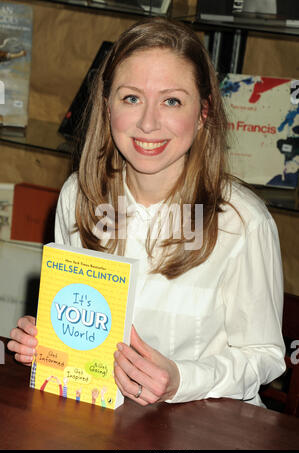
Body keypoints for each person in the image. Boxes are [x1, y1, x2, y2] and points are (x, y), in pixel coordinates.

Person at [8, 17, 286, 408]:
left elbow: (266, 355)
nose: (148, 123)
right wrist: (51, 343)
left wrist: (181, 379)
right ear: (107, 106)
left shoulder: (242, 222)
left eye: (171, 100)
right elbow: (84, 334)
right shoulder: (79, 196)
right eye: (131, 98)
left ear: (203, 111)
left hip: (204, 424)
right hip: (101, 419)